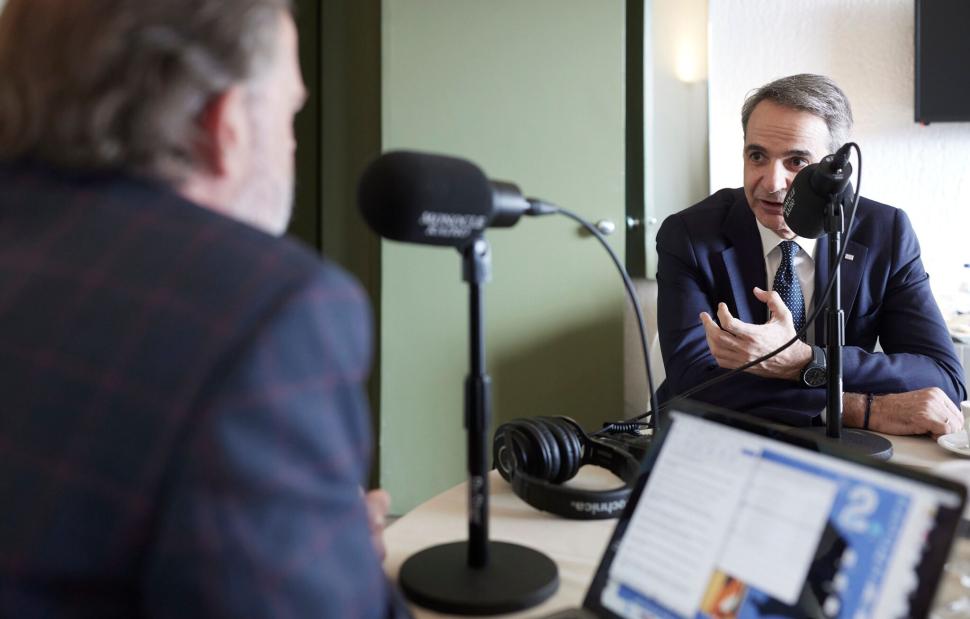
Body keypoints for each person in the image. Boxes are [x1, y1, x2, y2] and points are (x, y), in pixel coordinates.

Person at [0, 0, 408, 616]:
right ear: (223, 123)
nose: (292, 143)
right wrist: (338, 562)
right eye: (290, 113)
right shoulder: (265, 312)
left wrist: (305, 528)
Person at [655, 73, 966, 436]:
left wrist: (805, 360)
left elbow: (943, 376)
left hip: (836, 449)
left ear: (835, 171)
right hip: (720, 436)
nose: (772, 183)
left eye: (796, 162)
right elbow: (692, 380)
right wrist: (855, 408)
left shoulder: (885, 233)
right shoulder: (690, 234)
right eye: (757, 156)